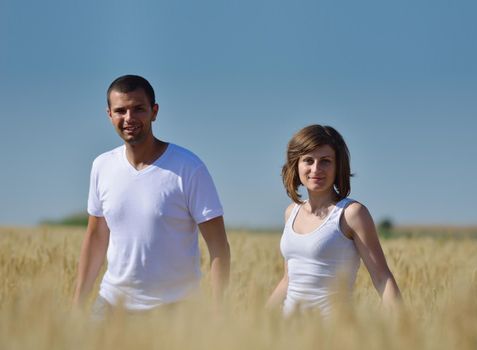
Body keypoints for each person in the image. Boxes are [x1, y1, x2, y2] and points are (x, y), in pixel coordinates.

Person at [73, 75, 230, 316]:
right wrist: (77, 306)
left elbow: (218, 246)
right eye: (120, 111)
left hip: (176, 310)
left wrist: (219, 311)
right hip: (111, 306)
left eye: (138, 109)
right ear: (109, 115)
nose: (129, 118)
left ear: (154, 111)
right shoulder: (101, 166)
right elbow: (96, 238)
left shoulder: (188, 168)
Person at [266, 124, 401, 317]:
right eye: (308, 160)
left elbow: (382, 278)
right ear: (296, 165)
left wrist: (401, 328)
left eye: (325, 161)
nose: (316, 169)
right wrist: (259, 318)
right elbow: (289, 279)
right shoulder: (291, 212)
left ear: (338, 166)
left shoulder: (351, 214)